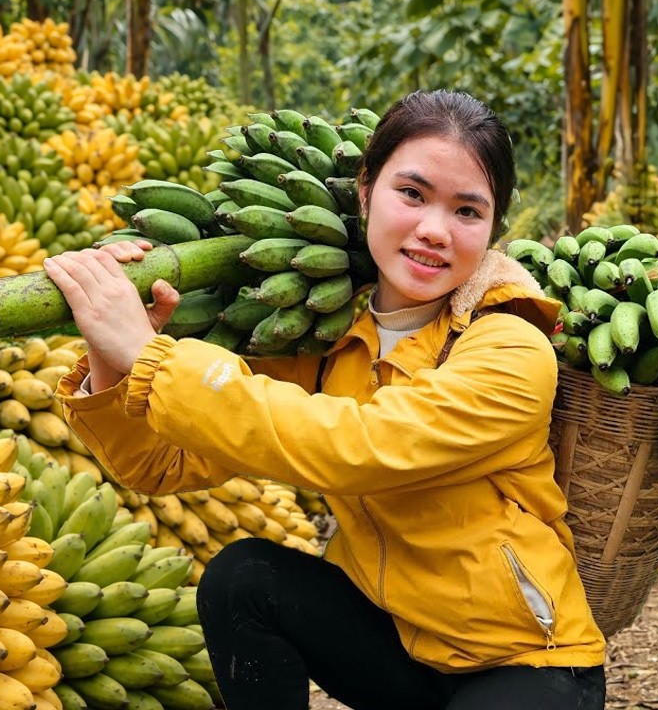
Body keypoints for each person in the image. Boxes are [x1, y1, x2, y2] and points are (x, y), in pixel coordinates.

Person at [43, 89, 608, 710]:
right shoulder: (332, 342)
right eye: (411, 194)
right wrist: (114, 349)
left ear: (493, 229)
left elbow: (360, 446)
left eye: (467, 211)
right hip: (396, 647)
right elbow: (160, 465)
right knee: (242, 579)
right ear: (366, 191)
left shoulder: (510, 346)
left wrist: (155, 357)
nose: (434, 231)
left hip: (524, 661)